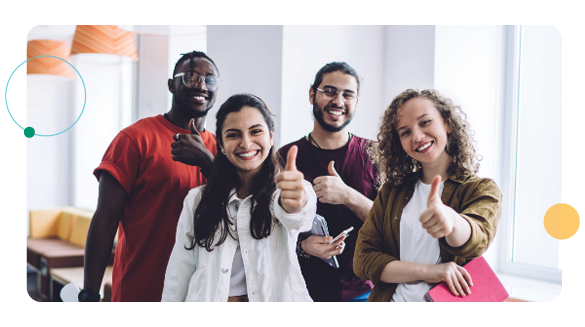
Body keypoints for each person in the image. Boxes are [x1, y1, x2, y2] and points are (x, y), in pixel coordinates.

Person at [79, 51, 220, 302]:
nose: (201, 85)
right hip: (141, 290)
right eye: (191, 77)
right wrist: (89, 292)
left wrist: (209, 164)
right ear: (171, 85)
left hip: (199, 294)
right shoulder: (135, 139)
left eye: (209, 80)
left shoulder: (221, 150)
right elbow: (105, 218)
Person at [161, 94, 316, 302]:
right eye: (234, 135)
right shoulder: (196, 200)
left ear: (270, 137)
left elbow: (299, 215)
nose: (246, 143)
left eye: (255, 131)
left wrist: (294, 204)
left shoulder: (284, 193)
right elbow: (177, 277)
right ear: (222, 145)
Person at [353, 89, 502, 302]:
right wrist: (431, 271)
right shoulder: (391, 192)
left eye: (424, 122)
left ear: (447, 123)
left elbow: (477, 238)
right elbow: (363, 260)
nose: (417, 136)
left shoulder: (482, 190)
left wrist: (451, 221)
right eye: (405, 132)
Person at [278, 62, 378, 302]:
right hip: (299, 292)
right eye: (329, 91)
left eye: (348, 94)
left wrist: (348, 196)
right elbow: (269, 230)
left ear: (356, 102)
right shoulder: (285, 157)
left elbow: (392, 227)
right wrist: (303, 246)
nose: (338, 101)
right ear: (313, 94)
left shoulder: (376, 155)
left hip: (363, 293)